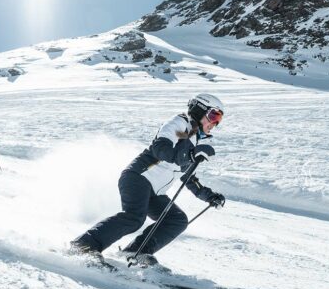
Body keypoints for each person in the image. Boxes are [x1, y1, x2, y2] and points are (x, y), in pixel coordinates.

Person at [71, 93, 227, 266]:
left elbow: (187, 175)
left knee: (177, 220)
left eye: (219, 119)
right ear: (199, 110)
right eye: (214, 115)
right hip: (138, 177)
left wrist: (209, 196)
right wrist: (189, 154)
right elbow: (160, 148)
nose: (215, 122)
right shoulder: (180, 125)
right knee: (134, 217)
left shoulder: (194, 138)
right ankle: (84, 245)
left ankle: (136, 251)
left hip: (155, 191)